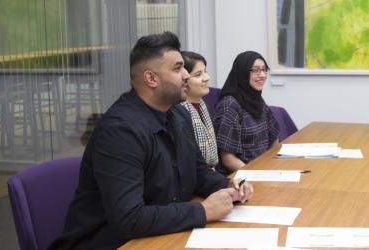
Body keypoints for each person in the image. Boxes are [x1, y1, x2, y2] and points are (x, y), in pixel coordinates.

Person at [49, 32, 253, 250]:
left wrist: (229, 187)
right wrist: (202, 211)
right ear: (151, 78)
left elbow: (198, 172)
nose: (186, 75)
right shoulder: (119, 131)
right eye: (177, 68)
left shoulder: (179, 115)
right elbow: (129, 218)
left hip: (159, 236)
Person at [213, 51, 280, 176]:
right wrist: (257, 174)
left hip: (261, 170)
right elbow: (228, 160)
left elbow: (274, 138)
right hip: (239, 178)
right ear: (242, 73)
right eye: (255, 70)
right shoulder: (229, 105)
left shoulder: (256, 99)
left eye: (264, 70)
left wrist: (270, 166)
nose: (262, 75)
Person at [179, 51, 218, 169]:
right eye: (198, 74)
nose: (207, 78)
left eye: (205, 71)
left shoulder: (202, 105)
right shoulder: (179, 113)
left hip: (210, 173)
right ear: (184, 79)